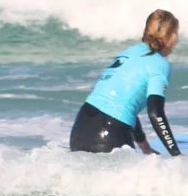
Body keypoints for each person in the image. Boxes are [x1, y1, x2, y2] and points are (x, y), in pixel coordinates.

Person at [70, 9, 181, 155]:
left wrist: (144, 146)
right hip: (110, 133)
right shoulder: (159, 64)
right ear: (172, 37)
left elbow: (123, 105)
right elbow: (155, 113)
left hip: (81, 126)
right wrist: (176, 154)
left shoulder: (129, 52)